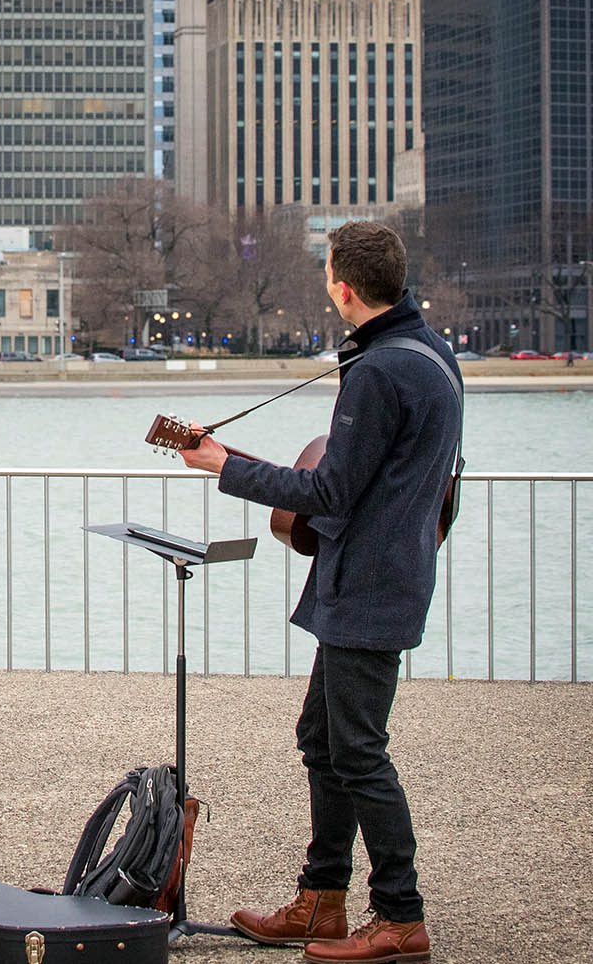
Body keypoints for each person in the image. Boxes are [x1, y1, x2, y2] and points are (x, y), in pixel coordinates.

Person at [179, 221, 461, 964]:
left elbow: (331, 492)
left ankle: (399, 916)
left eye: (327, 272)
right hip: (384, 576)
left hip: (367, 585)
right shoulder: (430, 354)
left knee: (360, 753)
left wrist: (221, 466)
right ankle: (322, 901)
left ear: (341, 285)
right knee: (325, 740)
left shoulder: (380, 370)